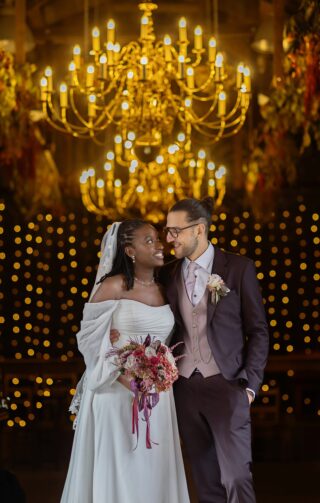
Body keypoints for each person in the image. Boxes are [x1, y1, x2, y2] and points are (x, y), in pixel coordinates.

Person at [60, 220, 190, 503]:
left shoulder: (165, 288)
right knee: (120, 465)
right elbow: (89, 338)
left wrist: (160, 372)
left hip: (157, 396)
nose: (159, 246)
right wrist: (124, 374)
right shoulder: (113, 285)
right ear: (130, 250)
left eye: (157, 239)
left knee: (154, 469)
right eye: (149, 241)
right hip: (116, 392)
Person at [160, 197, 269, 503]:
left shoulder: (238, 268)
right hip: (184, 388)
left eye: (175, 231)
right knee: (206, 480)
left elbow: (258, 331)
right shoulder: (167, 274)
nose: (168, 238)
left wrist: (249, 386)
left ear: (199, 230)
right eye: (167, 231)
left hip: (228, 384)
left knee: (236, 476)